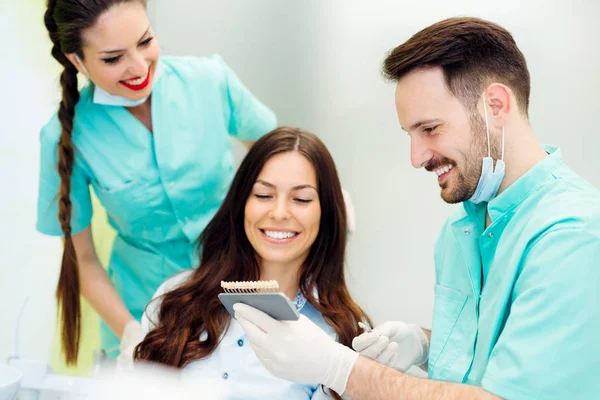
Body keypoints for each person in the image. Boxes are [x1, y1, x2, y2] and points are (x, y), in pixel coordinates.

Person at [233, 17, 600, 399]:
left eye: (430, 129)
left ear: (495, 105)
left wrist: (340, 368)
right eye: (410, 134)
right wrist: (425, 343)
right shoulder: (461, 229)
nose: (416, 156)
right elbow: (489, 356)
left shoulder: (573, 237)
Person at [38, 0, 276, 366]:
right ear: (76, 60)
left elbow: (280, 156)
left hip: (239, 298)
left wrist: (321, 199)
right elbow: (82, 260)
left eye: (145, 41)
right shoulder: (66, 137)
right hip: (143, 309)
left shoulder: (208, 81)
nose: (138, 67)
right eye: (113, 58)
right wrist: (132, 332)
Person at [133, 127, 370, 400]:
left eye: (301, 199)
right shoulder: (175, 299)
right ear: (241, 202)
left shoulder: (342, 334)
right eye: (263, 195)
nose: (279, 213)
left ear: (326, 212)